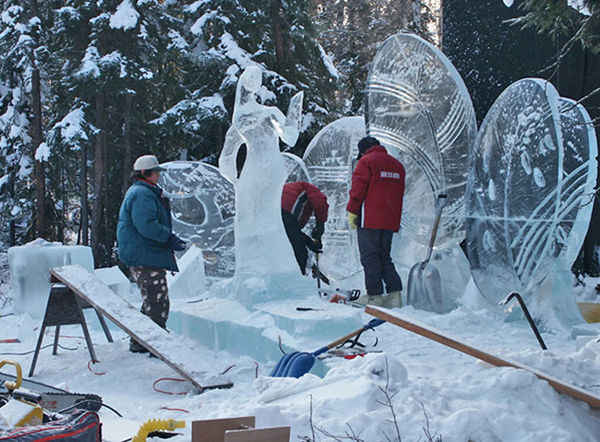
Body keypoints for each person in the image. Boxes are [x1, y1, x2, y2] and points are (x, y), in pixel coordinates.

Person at [117, 154, 186, 353]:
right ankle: (157, 343)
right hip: (144, 255)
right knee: (158, 301)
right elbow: (146, 225)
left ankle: (140, 342)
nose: (158, 176)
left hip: (144, 254)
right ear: (145, 173)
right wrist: (168, 237)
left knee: (152, 299)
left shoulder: (143, 191)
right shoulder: (142, 194)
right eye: (155, 173)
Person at [346, 136, 405, 308]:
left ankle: (374, 296)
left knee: (370, 257)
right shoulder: (397, 165)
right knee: (384, 256)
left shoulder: (366, 162)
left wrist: (352, 210)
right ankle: (395, 295)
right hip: (390, 219)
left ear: (363, 151)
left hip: (369, 218)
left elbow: (358, 189)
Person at [281, 181, 329, 275]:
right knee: (300, 251)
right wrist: (320, 224)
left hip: (276, 212)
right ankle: (299, 279)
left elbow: (292, 231)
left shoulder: (293, 190)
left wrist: (309, 242)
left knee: (289, 244)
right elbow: (321, 202)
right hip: (286, 211)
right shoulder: (310, 190)